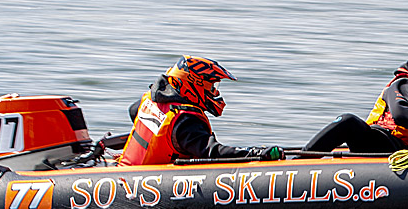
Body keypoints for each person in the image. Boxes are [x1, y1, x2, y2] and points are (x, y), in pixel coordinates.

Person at [110, 55, 284, 166]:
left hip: (125, 171)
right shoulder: (186, 121)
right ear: (194, 84)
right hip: (143, 185)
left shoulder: (152, 101)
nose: (215, 93)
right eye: (212, 87)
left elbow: (134, 113)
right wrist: (255, 153)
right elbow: (212, 152)